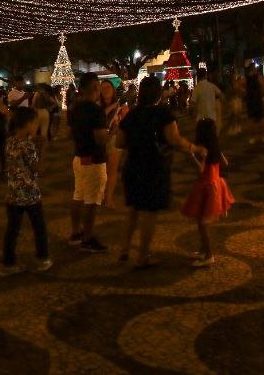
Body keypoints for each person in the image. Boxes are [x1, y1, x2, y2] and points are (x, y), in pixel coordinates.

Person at [117, 76, 204, 268]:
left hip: (132, 167)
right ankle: (142, 256)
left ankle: (124, 250)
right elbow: (174, 140)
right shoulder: (163, 113)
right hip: (154, 167)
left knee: (133, 209)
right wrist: (195, 148)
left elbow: (119, 142)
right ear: (158, 94)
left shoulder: (132, 114)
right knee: (149, 212)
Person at [0, 107, 53, 275]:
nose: (37, 126)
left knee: (12, 230)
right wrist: (43, 150)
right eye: (36, 122)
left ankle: (8, 264)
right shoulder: (27, 145)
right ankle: (43, 258)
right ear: (29, 124)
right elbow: (38, 168)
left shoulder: (10, 141)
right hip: (29, 193)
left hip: (13, 193)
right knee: (39, 227)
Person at [182, 118, 234, 267]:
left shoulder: (202, 149)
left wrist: (191, 156)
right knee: (201, 221)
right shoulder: (215, 146)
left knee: (203, 223)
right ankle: (203, 250)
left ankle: (209, 255)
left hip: (206, 186)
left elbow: (200, 170)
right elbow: (225, 163)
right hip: (215, 183)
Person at [68, 73, 109, 252]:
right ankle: (88, 238)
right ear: (95, 88)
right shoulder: (96, 110)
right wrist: (112, 131)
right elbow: (100, 139)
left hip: (79, 157)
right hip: (94, 159)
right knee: (91, 201)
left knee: (78, 195)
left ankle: (75, 232)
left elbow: (70, 133)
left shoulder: (74, 108)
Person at [99, 79, 127, 208]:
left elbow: (126, 124)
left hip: (114, 139)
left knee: (112, 169)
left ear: (113, 90)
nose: (106, 90)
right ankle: (100, 195)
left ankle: (108, 198)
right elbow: (98, 116)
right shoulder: (97, 106)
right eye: (103, 88)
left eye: (108, 87)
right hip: (99, 139)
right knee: (100, 170)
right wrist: (112, 106)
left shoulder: (121, 107)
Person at [244, 66, 264, 144]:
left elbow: (240, 87)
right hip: (257, 100)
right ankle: (263, 136)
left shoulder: (246, 78)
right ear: (253, 69)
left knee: (252, 120)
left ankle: (253, 137)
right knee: (261, 119)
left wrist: (245, 94)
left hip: (250, 100)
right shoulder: (257, 77)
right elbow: (263, 86)